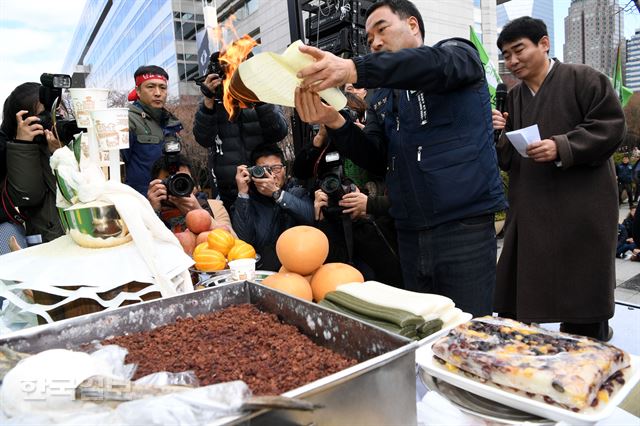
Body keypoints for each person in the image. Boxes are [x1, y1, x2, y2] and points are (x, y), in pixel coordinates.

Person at [293, 0, 506, 316]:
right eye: (368, 39)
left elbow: (431, 65)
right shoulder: (381, 95)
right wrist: (335, 120)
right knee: (420, 330)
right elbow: (376, 157)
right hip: (407, 233)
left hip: (462, 229)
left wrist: (354, 68)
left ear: (412, 25)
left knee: (469, 331)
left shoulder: (456, 56)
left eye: (381, 30)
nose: (375, 42)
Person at [492, 17, 625, 341]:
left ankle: (590, 355)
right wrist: (500, 134)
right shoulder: (516, 96)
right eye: (506, 55)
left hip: (581, 208)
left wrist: (561, 145)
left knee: (583, 296)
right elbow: (508, 159)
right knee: (521, 297)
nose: (512, 61)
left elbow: (611, 127)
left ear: (544, 44)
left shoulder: (586, 79)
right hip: (533, 207)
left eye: (518, 50)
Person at [192, 56, 288, 211]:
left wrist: (259, 98)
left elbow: (279, 132)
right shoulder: (213, 103)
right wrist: (208, 100)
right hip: (230, 190)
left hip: (265, 183)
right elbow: (203, 139)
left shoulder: (263, 95)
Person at [1, 82, 65, 247]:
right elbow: (28, 195)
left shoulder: (62, 138)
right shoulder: (15, 149)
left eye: (56, 111)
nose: (52, 120)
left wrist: (59, 153)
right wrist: (23, 147)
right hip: (46, 240)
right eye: (44, 115)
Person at [231, 144, 313, 271]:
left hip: (298, 269)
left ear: (284, 170)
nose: (272, 175)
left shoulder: (297, 193)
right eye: (263, 170)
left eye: (276, 168)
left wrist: (277, 194)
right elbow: (243, 242)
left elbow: (312, 218)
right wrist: (242, 193)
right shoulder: (247, 201)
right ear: (253, 173)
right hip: (263, 272)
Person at [122, 65, 183, 196]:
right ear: (138, 91)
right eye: (150, 87)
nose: (157, 93)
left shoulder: (171, 122)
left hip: (171, 198)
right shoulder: (127, 121)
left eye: (163, 87)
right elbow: (119, 169)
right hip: (141, 202)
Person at [147, 154, 234, 235]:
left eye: (183, 179)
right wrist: (152, 212)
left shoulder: (214, 207)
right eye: (169, 180)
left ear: (193, 184)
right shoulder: (143, 210)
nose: (176, 185)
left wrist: (198, 211)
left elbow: (233, 242)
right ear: (155, 184)